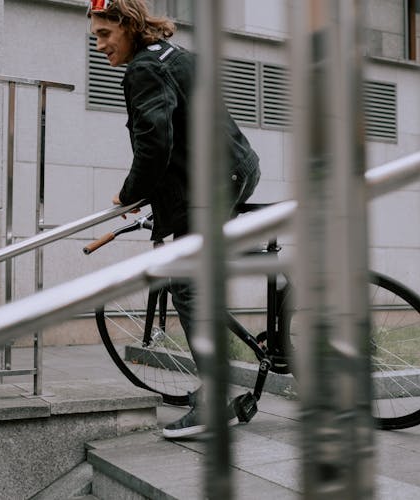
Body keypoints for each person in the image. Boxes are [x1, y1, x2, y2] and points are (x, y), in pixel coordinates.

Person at [88, 0, 261, 439]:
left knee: (187, 283)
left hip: (213, 185)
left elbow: (155, 143)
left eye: (105, 34)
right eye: (95, 36)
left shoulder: (143, 70)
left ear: (128, 26)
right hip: (238, 167)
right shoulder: (175, 53)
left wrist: (130, 194)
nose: (100, 44)